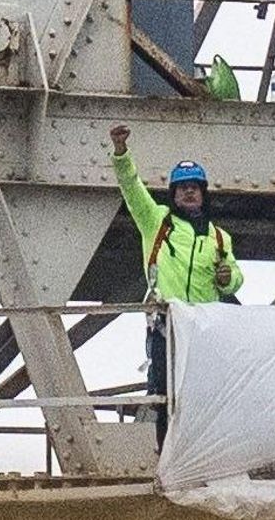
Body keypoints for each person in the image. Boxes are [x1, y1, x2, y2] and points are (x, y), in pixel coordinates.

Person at [109, 124, 244, 450]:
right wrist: (121, 152)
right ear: (173, 194)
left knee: (207, 396)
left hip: (205, 329)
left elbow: (236, 276)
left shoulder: (219, 237)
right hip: (167, 326)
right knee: (165, 396)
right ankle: (168, 462)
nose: (188, 192)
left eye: (194, 187)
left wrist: (230, 277)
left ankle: (204, 458)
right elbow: (131, 187)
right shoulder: (156, 221)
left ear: (203, 193)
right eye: (182, 188)